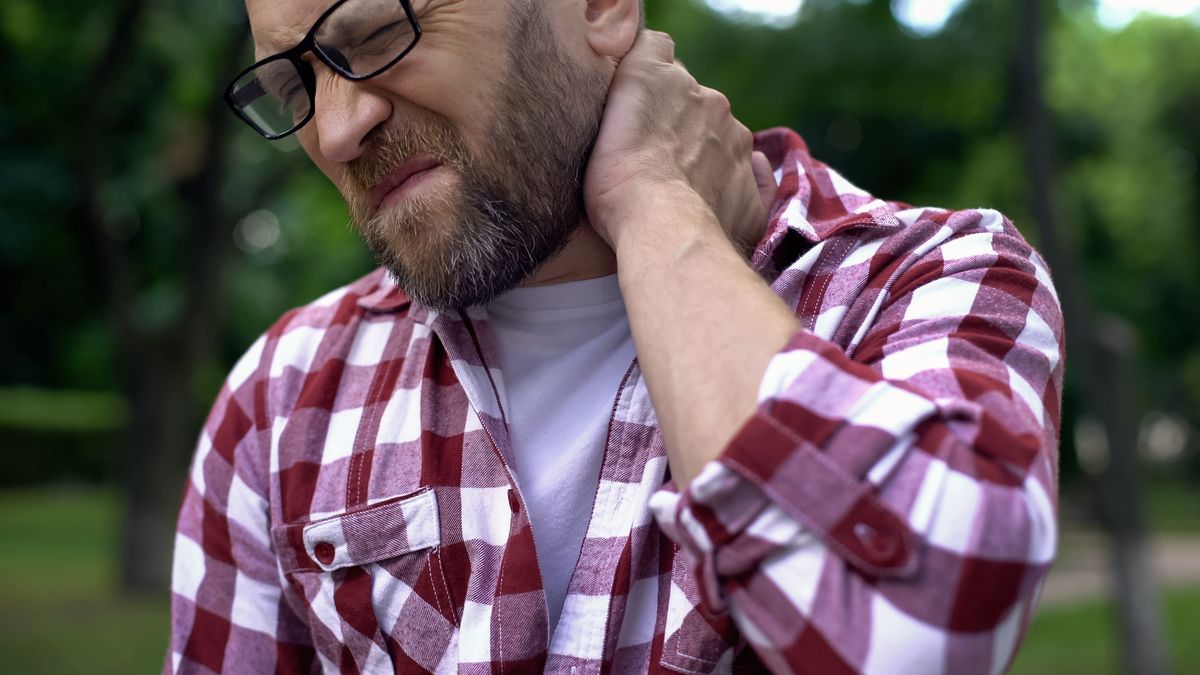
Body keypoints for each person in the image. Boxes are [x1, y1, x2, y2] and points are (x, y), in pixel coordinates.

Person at [166, 0, 1064, 672]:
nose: (338, 128)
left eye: (376, 34)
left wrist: (652, 200)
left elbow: (919, 631)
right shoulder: (284, 397)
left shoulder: (928, 279)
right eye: (294, 85)